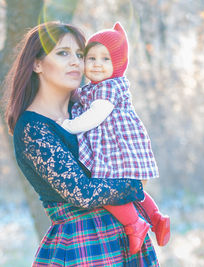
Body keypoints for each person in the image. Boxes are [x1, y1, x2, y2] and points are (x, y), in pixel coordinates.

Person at [4, 21, 159, 266]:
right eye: (63, 53)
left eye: (80, 54)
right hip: (84, 245)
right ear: (37, 64)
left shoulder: (87, 112)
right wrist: (134, 185)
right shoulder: (33, 128)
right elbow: (82, 193)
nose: (76, 61)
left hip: (124, 240)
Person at [60, 22, 170, 254]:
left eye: (106, 59)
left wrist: (67, 126)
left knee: (107, 191)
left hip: (117, 149)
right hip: (119, 148)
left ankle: (135, 225)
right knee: (132, 190)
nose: (97, 64)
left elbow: (93, 117)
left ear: (118, 64)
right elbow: (80, 99)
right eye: (92, 59)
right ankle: (156, 218)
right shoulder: (96, 87)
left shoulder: (109, 89)